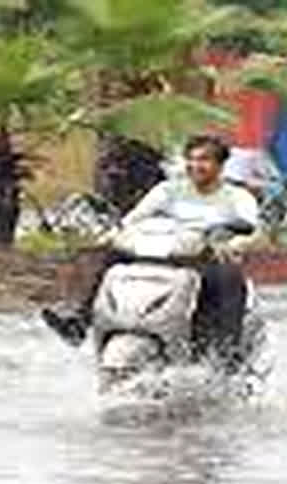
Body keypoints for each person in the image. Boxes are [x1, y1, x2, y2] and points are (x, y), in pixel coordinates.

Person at [42, 135, 260, 360]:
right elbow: (136, 217)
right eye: (191, 159)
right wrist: (115, 232)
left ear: (220, 164)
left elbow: (251, 229)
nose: (196, 166)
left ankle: (226, 352)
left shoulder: (237, 197)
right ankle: (80, 319)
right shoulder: (167, 190)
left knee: (228, 276)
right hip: (167, 251)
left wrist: (232, 244)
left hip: (204, 257)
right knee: (112, 257)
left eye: (204, 160)